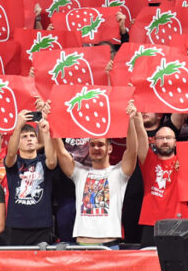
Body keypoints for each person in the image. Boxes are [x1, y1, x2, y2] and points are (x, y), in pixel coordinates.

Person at [55, 102, 140, 245]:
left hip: (109, 245)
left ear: (110, 149)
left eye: (100, 144)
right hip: (82, 245)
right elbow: (61, 152)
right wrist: (51, 121)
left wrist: (130, 121)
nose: (96, 148)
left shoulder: (119, 173)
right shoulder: (80, 173)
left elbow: (132, 150)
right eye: (92, 144)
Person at [3, 111, 58, 246]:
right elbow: (10, 153)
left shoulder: (44, 160)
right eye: (24, 137)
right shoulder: (13, 162)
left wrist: (45, 133)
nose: (29, 139)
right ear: (18, 142)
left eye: (32, 136)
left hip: (41, 226)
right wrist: (17, 127)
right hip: (16, 225)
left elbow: (52, 162)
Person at [136, 118, 188, 247]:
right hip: (151, 223)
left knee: (179, 265)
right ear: (154, 141)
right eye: (160, 138)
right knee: (148, 264)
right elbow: (140, 134)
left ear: (176, 142)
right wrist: (136, 115)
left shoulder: (184, 161)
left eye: (168, 138)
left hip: (179, 222)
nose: (165, 141)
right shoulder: (148, 160)